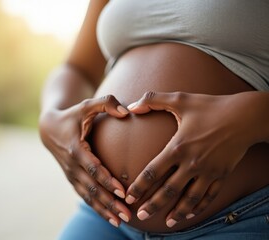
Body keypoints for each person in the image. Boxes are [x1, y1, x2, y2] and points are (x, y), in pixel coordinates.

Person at [39, 0, 269, 239]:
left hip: (238, 217)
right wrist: (50, 116)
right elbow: (77, 69)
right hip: (107, 217)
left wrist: (250, 116)